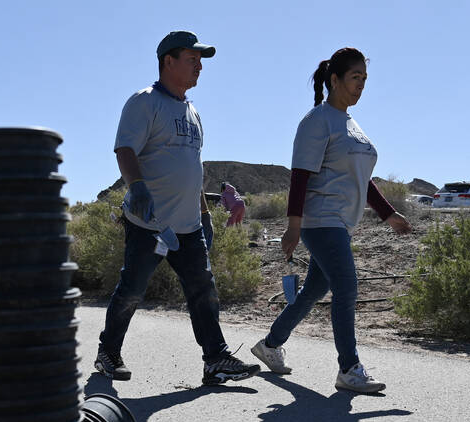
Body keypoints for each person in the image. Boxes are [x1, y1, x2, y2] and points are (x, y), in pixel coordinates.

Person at [94, 30, 259, 386]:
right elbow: (125, 149)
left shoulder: (192, 110)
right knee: (133, 289)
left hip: (188, 226)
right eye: (192, 59)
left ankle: (215, 359)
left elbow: (193, 169)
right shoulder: (144, 102)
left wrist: (203, 215)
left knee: (203, 290)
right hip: (148, 223)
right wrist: (136, 186)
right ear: (168, 61)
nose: (199, 66)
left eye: (201, 61)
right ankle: (108, 353)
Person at [248, 47, 412, 393]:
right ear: (335, 79)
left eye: (365, 79)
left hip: (340, 223)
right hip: (321, 221)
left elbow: (360, 179)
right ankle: (349, 369)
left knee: (314, 291)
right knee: (347, 287)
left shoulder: (351, 125)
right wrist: (292, 227)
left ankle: (271, 344)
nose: (361, 86)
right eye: (355, 78)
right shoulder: (317, 121)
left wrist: (388, 213)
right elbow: (300, 176)